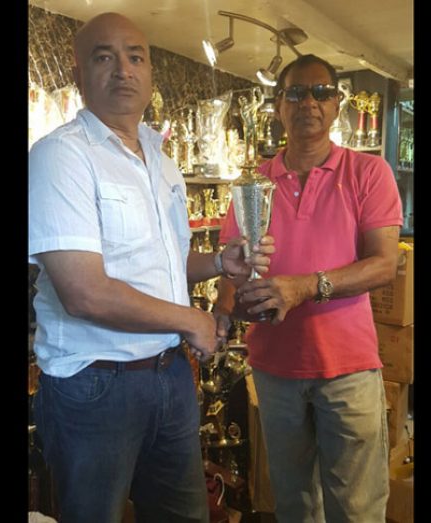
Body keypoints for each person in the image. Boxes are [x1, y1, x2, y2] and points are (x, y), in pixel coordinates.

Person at [28, 13, 274, 523]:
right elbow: (84, 292)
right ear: (79, 75)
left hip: (168, 377)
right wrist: (191, 320)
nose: (123, 69)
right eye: (104, 56)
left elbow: (160, 265)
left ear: (150, 71)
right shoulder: (60, 157)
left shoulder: (160, 160)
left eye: (135, 56)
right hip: (94, 385)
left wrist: (215, 262)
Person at [216, 54, 404, 522]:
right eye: (296, 92)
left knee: (357, 507)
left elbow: (384, 265)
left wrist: (305, 287)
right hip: (276, 370)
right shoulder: (254, 185)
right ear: (279, 105)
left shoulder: (367, 173)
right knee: (295, 503)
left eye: (321, 92)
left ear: (337, 104)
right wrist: (226, 309)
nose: (309, 103)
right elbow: (231, 269)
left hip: (348, 368)